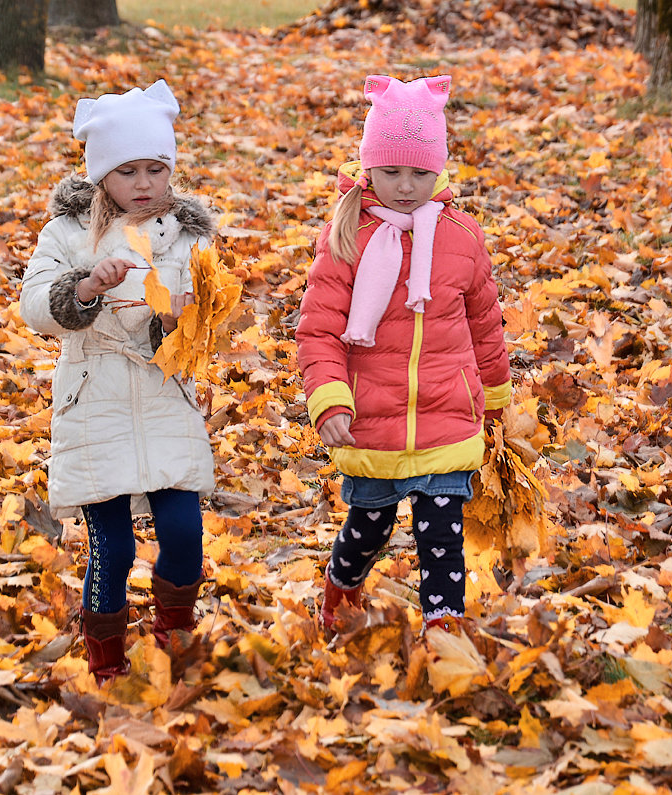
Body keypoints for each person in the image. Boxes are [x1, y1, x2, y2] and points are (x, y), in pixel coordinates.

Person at [296, 75, 511, 636]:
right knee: (368, 528)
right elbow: (319, 330)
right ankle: (341, 591)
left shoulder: (461, 237)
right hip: (372, 417)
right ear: (369, 167)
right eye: (392, 172)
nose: (407, 186)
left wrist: (494, 398)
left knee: (441, 534)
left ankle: (445, 633)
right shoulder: (347, 237)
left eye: (420, 172)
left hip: (446, 413)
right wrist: (330, 399)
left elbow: (486, 325)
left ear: (437, 170)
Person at [19, 80, 215, 681]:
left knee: (183, 532)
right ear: (101, 174)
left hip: (163, 397)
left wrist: (185, 316)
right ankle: (105, 659)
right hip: (94, 397)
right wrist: (85, 287)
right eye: (128, 170)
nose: (144, 183)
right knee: (113, 545)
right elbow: (33, 306)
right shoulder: (68, 233)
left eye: (156, 168)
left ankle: (174, 637)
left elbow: (213, 313)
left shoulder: (189, 234)